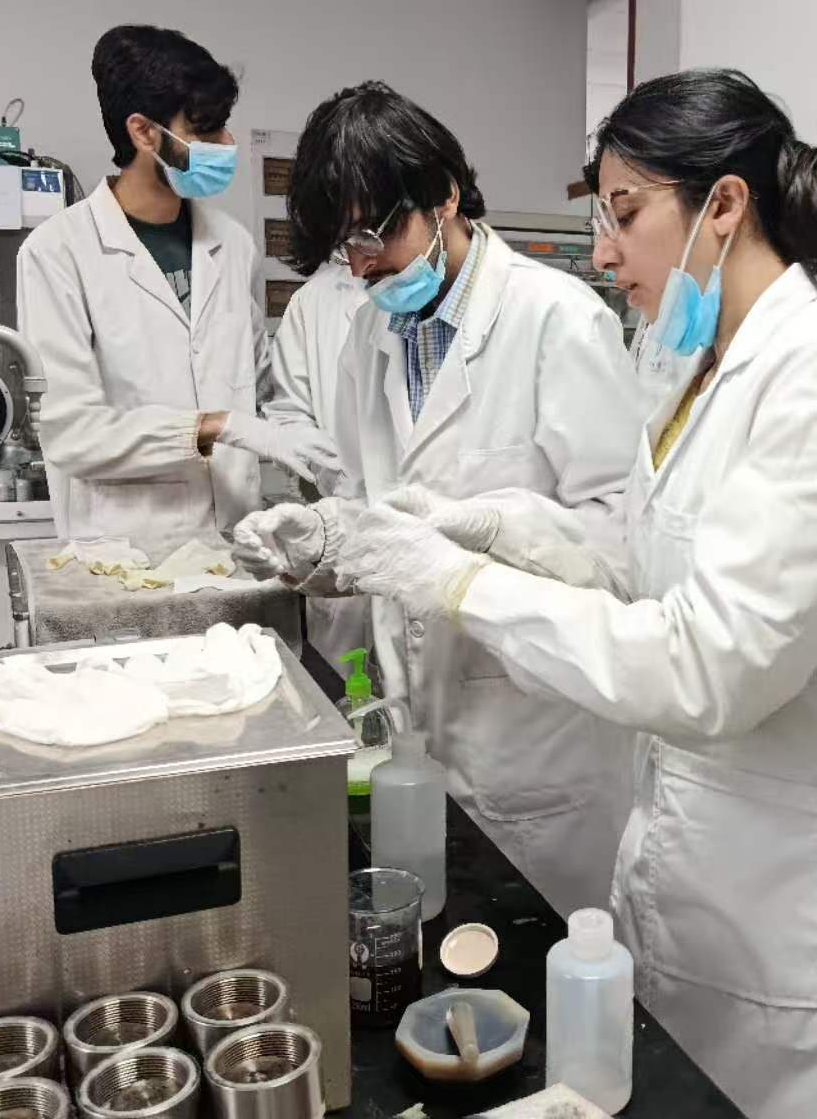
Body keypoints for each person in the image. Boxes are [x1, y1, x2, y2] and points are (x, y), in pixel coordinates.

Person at [332, 69, 817, 1118]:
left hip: (816, 937)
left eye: (624, 215)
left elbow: (708, 666)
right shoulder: (686, 371)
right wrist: (493, 525)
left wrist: (459, 585)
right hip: (698, 902)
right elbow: (635, 570)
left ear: (724, 204)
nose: (602, 252)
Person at [236, 81, 643, 917]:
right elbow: (370, 503)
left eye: (371, 234)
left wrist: (495, 530)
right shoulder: (370, 334)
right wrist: (326, 546)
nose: (360, 266)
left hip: (537, 743)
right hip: (416, 732)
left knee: (539, 965)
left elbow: (622, 546)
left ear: (444, 196)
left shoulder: (556, 320)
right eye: (342, 248)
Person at [17, 25, 336, 545]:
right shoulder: (59, 253)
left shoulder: (232, 246)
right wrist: (214, 427)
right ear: (144, 133)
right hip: (126, 550)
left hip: (238, 540)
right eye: (206, 130)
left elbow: (257, 383)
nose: (227, 144)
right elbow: (72, 435)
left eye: (224, 126)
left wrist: (300, 433)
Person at [261, 255, 369, 666]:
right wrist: (335, 471)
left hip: (441, 563)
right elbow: (288, 413)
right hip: (343, 529)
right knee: (348, 689)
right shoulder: (315, 300)